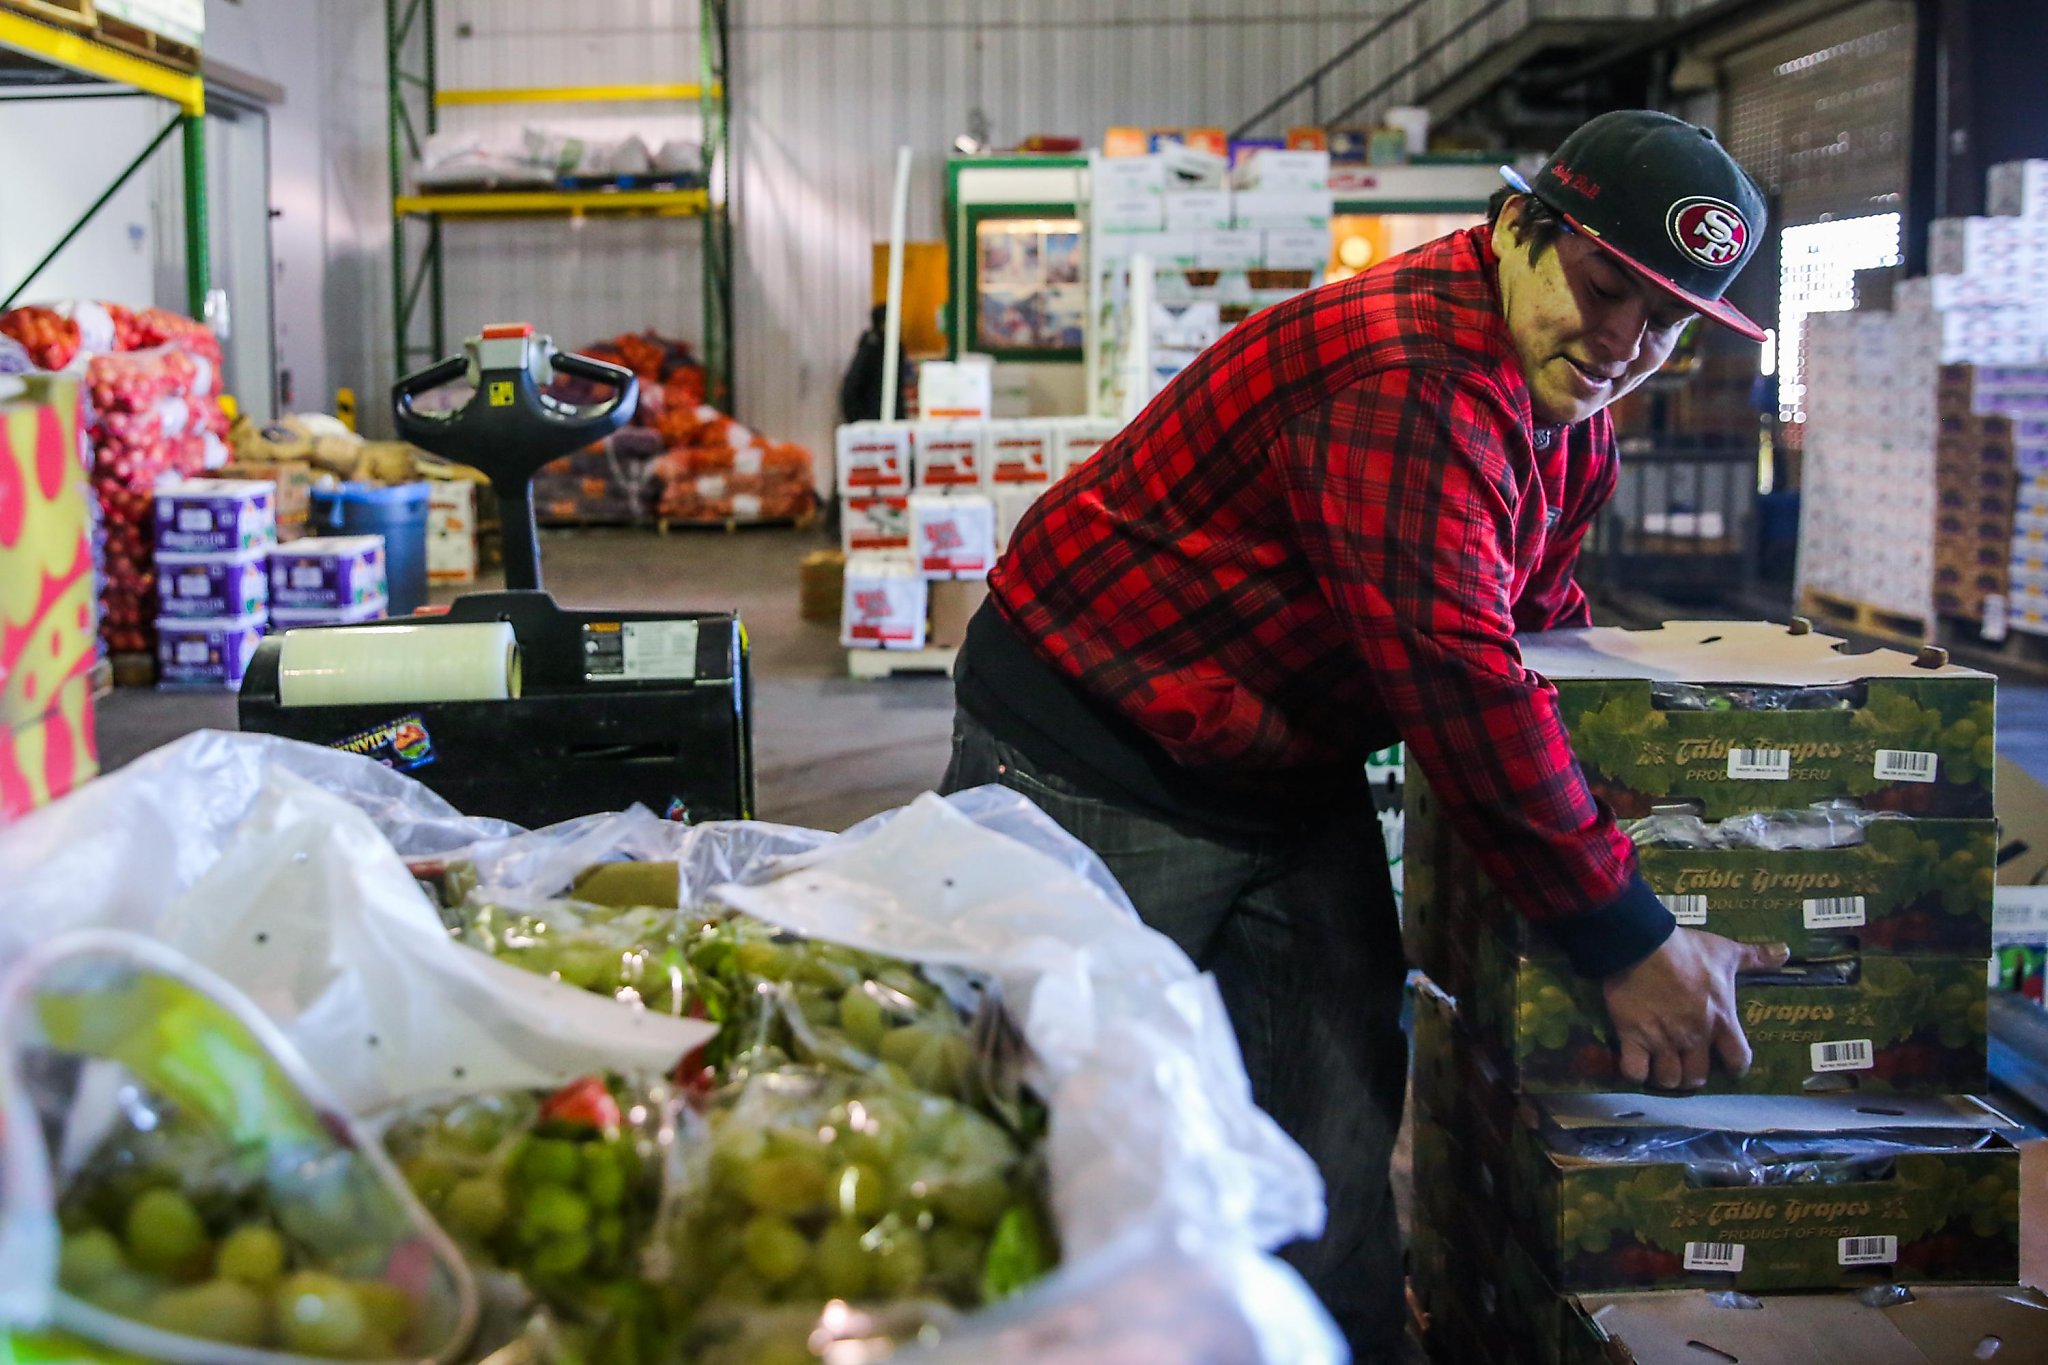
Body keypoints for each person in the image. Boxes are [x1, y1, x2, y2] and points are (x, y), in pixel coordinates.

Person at [938, 110, 1785, 1359]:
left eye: (1664, 324)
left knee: (1330, 1129)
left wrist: (1630, 824)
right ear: (1515, 228)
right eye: (1604, 288)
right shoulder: (1410, 375)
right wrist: (1622, 930)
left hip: (1279, 755)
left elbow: (1532, 627)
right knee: (1053, 1117)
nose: (1622, 345)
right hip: (1090, 740)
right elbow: (1457, 674)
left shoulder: (1567, 398)